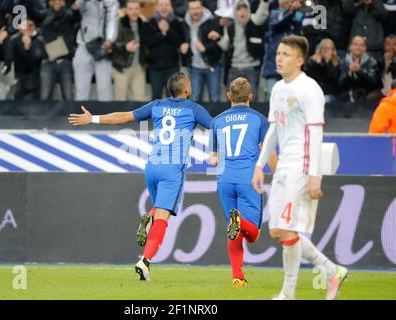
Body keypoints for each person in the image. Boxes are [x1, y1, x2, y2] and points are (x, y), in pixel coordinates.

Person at [67, 72, 213, 281]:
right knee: (164, 218)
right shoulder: (194, 109)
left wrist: (93, 118)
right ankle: (145, 261)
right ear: (187, 89)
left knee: (158, 211)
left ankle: (149, 218)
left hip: (152, 167)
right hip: (172, 169)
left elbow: (124, 116)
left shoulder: (157, 105)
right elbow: (217, 126)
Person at [252, 35, 348, 300]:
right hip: (283, 166)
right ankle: (332, 271)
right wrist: (260, 166)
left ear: (300, 60)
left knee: (287, 230)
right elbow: (274, 128)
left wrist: (314, 175)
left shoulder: (310, 89)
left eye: (285, 54)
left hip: (302, 168)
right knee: (278, 231)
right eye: (278, 53)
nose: (279, 58)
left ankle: (288, 293)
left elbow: (316, 134)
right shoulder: (279, 89)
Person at [209, 77, 277, 287]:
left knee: (234, 228)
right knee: (253, 234)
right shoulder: (259, 120)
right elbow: (269, 152)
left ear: (228, 96)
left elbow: (212, 159)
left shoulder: (217, 121)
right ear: (251, 97)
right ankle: (239, 223)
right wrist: (280, 176)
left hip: (225, 180)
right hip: (248, 178)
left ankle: (237, 277)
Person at [72, 0, 119, 101]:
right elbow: (74, 7)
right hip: (83, 45)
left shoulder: (112, 2)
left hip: (103, 47)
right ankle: (80, 116)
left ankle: (105, 116)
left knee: (105, 89)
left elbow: (112, 21)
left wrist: (109, 40)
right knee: (81, 90)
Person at [225, 0, 269, 101]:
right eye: (239, 9)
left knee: (252, 100)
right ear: (235, 11)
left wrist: (265, 2)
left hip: (251, 68)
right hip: (234, 68)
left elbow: (261, 14)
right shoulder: (230, 27)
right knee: (231, 100)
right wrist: (218, 39)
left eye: (245, 8)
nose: (242, 12)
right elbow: (225, 45)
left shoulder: (253, 22)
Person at [143, 0, 186, 99]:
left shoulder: (177, 22)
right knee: (156, 96)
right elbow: (147, 42)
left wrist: (168, 31)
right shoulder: (150, 22)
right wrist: (162, 33)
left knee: (173, 96)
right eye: (161, 5)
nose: (164, 7)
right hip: (155, 67)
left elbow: (180, 42)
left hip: (172, 66)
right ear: (157, 7)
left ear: (171, 7)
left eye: (167, 5)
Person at [181, 0, 223, 102]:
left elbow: (219, 44)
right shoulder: (185, 23)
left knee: (214, 98)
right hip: (194, 68)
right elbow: (181, 40)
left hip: (212, 66)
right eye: (192, 8)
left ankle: (215, 118)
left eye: (197, 8)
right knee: (195, 98)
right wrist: (181, 47)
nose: (195, 11)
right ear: (188, 10)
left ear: (202, 8)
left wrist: (205, 48)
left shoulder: (212, 21)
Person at [262, 0, 303, 101]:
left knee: (290, 101)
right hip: (274, 67)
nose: (288, 2)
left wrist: (298, 10)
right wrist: (292, 10)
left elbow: (299, 28)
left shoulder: (294, 15)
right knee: (272, 99)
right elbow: (279, 21)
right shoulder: (274, 13)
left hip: (290, 67)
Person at [39, 0, 78, 101]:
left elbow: (76, 21)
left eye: (59, 0)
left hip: (65, 61)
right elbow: (42, 33)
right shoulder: (43, 15)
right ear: (50, 2)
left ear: (64, 2)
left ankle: (71, 117)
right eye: (54, 0)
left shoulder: (69, 15)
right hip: (47, 61)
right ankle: (44, 117)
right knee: (44, 96)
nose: (57, 2)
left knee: (68, 97)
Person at [111, 0, 148, 101]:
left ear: (140, 10)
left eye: (136, 9)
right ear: (126, 10)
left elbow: (147, 46)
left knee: (140, 101)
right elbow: (111, 44)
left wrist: (145, 63)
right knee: (120, 101)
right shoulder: (119, 24)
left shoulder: (143, 24)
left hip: (138, 69)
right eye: (131, 9)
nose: (134, 12)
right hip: (121, 68)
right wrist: (125, 47)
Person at [338, 36, 381, 115]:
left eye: (361, 45)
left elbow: (374, 82)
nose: (358, 47)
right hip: (347, 96)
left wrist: (360, 71)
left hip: (367, 97)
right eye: (355, 44)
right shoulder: (343, 62)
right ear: (350, 47)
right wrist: (349, 73)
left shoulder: (372, 62)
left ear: (365, 48)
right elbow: (340, 83)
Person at [6, 18, 43, 100]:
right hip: (20, 77)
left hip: (35, 78)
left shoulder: (39, 40)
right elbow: (9, 58)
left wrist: (28, 48)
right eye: (24, 25)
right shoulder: (14, 40)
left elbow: (36, 61)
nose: (27, 28)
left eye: (30, 25)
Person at [304, 38, 341, 103]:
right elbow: (309, 78)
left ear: (333, 50)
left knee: (324, 100)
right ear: (320, 49)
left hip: (330, 94)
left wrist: (327, 63)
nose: (325, 50)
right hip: (314, 93)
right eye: (323, 48)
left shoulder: (337, 62)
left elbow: (335, 79)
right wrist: (315, 64)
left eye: (328, 48)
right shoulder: (312, 61)